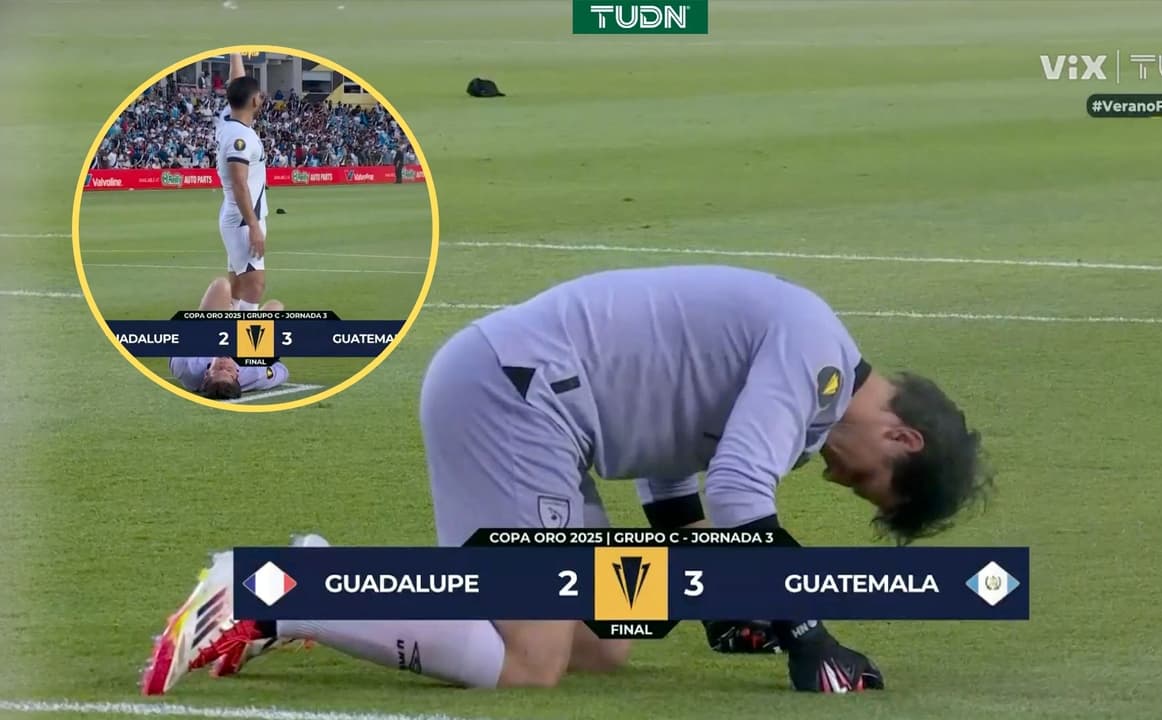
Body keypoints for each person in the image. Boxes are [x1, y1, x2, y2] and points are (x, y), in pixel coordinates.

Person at [141, 265, 992, 695]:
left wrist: (715, 591)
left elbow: (674, 445)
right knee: (533, 658)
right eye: (868, 480)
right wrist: (809, 635)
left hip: (540, 408)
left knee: (603, 641)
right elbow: (740, 495)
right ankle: (275, 590)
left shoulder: (813, 386)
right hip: (516, 397)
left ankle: (320, 576)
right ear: (901, 436)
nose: (842, 481)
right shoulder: (817, 358)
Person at [167, 277, 289, 400]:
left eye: (219, 369)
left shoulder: (187, 367)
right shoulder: (252, 375)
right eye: (229, 370)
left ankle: (235, 309)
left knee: (222, 286)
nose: (224, 364)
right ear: (237, 375)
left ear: (206, 374)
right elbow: (281, 371)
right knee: (275, 308)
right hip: (241, 354)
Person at [215, 52, 269, 312]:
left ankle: (227, 331)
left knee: (237, 287)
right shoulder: (241, 139)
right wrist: (254, 226)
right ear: (255, 100)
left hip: (240, 217)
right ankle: (247, 336)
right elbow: (240, 183)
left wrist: (235, 52)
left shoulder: (228, 118)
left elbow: (237, 81)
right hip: (242, 220)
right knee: (254, 285)